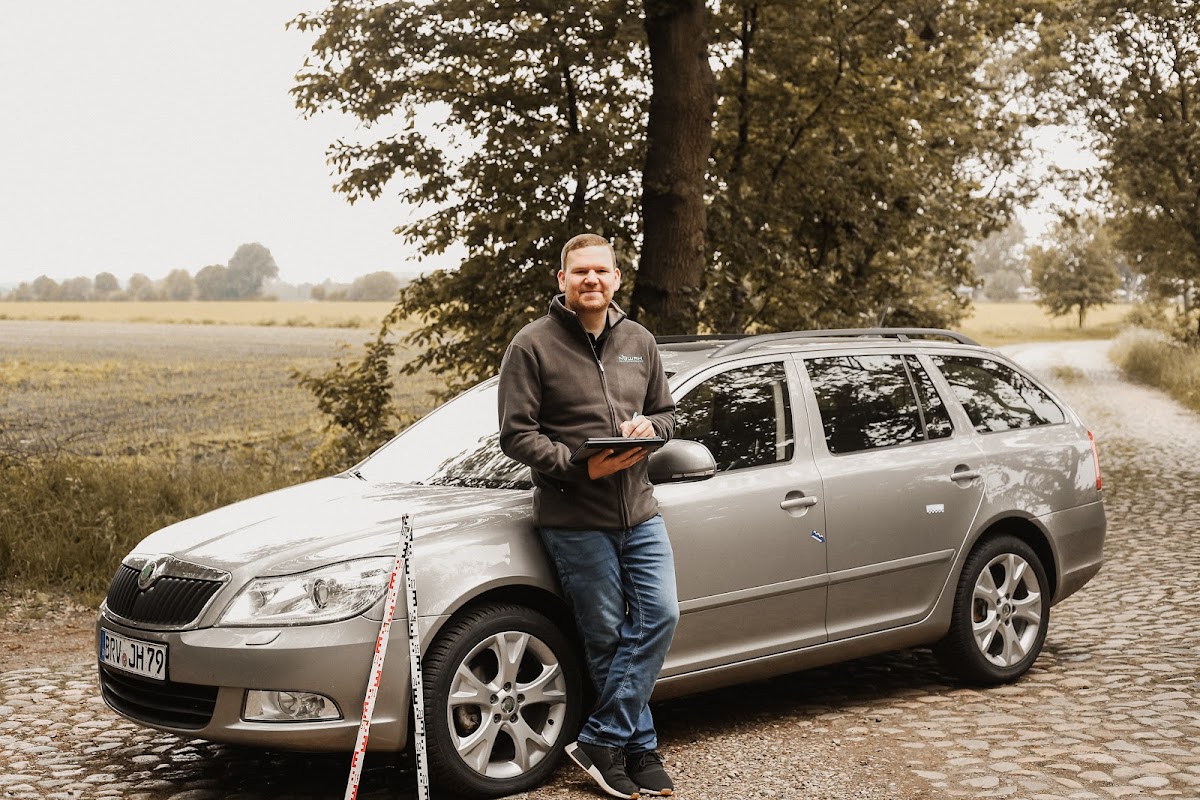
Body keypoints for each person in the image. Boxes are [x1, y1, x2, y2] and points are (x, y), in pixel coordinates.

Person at [498, 233, 679, 799]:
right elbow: (516, 434)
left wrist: (651, 428)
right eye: (580, 272)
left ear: (617, 278)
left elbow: (666, 414)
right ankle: (639, 749)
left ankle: (602, 738)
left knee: (661, 616)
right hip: (574, 518)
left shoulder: (640, 340)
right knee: (604, 637)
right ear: (563, 280)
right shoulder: (531, 345)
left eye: (601, 270)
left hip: (640, 512)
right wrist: (577, 467)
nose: (591, 280)